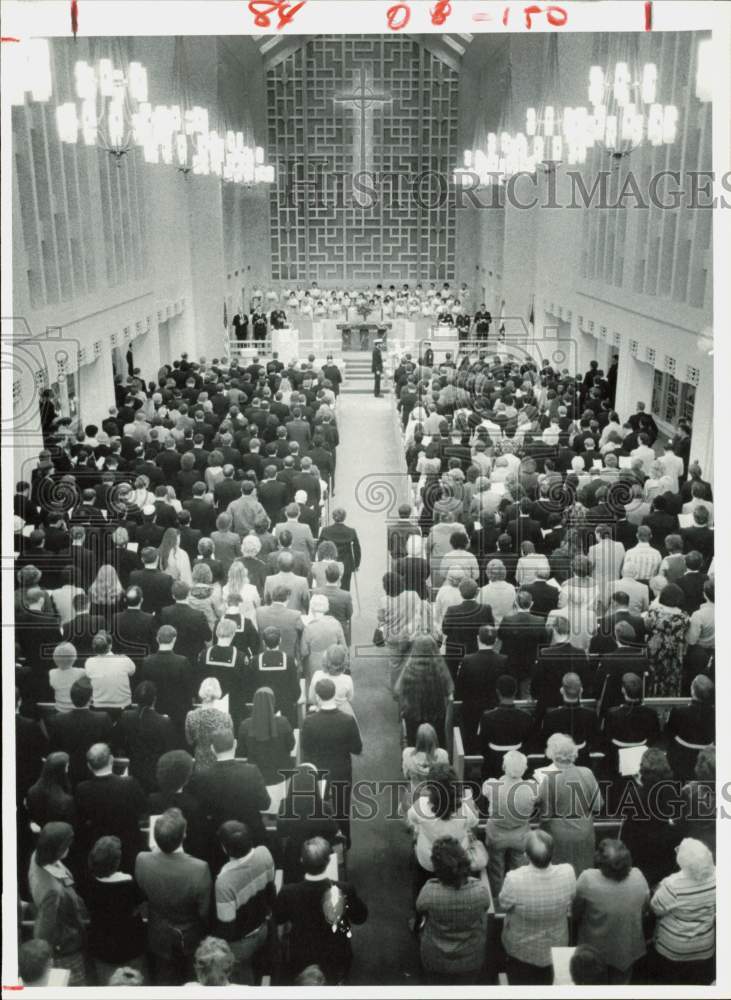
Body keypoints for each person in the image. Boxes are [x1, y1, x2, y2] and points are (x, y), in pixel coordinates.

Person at [275, 836, 368, 984]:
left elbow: (278, 918)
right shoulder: (345, 889)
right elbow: (361, 917)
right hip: (337, 953)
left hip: (302, 956)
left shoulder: (288, 892)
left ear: (301, 861)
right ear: (329, 861)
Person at [135, 809, 212, 985]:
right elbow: (204, 911)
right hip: (190, 936)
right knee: (193, 979)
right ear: (184, 835)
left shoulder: (141, 859)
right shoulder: (200, 868)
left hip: (158, 934)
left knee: (164, 977)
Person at [498, 830, 576, 985]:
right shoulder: (568, 872)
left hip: (520, 950)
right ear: (553, 853)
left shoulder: (514, 878)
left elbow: (504, 904)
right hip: (556, 947)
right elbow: (572, 898)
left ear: (526, 855)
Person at [415, 837, 492, 985]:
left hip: (435, 958)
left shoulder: (429, 891)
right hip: (471, 958)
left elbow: (420, 908)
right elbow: (485, 907)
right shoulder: (480, 891)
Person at [573, 839, 650, 984]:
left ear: (599, 860)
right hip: (626, 949)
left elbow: (576, 912)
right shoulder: (639, 876)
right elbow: (645, 909)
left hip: (593, 949)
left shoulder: (587, 878)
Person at [301, 678, 363, 847]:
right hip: (342, 770)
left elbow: (305, 749)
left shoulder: (309, 721)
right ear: (333, 694)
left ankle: (321, 844)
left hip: (319, 773)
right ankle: (345, 842)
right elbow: (357, 748)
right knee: (342, 810)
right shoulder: (348, 720)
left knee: (319, 809)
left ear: (318, 697)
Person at [28, 822, 90, 985]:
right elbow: (44, 931)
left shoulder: (38, 855)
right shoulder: (52, 891)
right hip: (65, 947)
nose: (69, 848)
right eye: (67, 845)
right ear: (56, 849)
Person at [214, 821, 276, 984]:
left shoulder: (224, 882)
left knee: (243, 982)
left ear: (224, 848)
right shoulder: (264, 853)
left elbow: (227, 927)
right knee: (261, 972)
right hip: (264, 929)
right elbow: (271, 890)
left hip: (241, 945)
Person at [648, 838, 716, 985]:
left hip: (674, 949)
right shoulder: (719, 877)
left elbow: (656, 909)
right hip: (705, 947)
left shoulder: (673, 884)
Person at [407, 767, 481, 898]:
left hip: (428, 860)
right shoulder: (465, 808)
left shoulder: (420, 805)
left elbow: (412, 820)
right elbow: (474, 823)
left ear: (430, 788)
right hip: (456, 860)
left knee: (419, 883)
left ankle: (417, 911)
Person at [189, 729, 270, 846]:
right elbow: (265, 804)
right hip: (252, 837)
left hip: (218, 840)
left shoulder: (202, 776)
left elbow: (202, 810)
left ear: (212, 748)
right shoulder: (251, 771)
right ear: (235, 744)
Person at [74, 742, 147, 871]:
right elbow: (142, 808)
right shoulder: (130, 784)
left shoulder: (82, 789)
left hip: (98, 847)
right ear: (112, 760)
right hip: (128, 845)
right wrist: (124, 781)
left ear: (89, 766)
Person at [538, 732, 602, 876]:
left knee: (562, 877)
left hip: (560, 837)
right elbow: (598, 805)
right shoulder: (588, 773)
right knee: (584, 875)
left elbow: (545, 816)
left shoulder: (549, 779)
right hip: (585, 832)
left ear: (552, 753)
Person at [85, 835, 147, 985]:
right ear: (116, 862)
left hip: (102, 947)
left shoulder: (90, 882)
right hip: (129, 946)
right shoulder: (127, 883)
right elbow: (141, 904)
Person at [619, 748, 682, 890]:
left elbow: (628, 828)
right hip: (664, 853)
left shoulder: (635, 795)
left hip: (641, 852)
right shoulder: (674, 791)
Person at [483, 749, 537, 898]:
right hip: (520, 835)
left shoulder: (492, 785)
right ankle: (516, 896)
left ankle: (498, 898)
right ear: (524, 768)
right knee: (518, 870)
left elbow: (484, 792)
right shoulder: (532, 788)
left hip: (497, 835)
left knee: (496, 870)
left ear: (504, 767)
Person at [46, 677, 114, 787]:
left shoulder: (57, 720)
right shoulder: (103, 718)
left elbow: (53, 749)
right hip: (95, 774)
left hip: (68, 776)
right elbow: (109, 746)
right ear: (90, 698)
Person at [236, 687, 295, 811]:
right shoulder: (283, 723)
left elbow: (241, 752)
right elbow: (291, 745)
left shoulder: (245, 725)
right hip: (280, 776)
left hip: (255, 777)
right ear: (273, 702)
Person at [113, 681, 176, 793]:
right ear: (155, 699)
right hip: (154, 775)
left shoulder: (125, 716)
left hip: (134, 771)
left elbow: (117, 742)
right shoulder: (164, 721)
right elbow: (169, 749)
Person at [377, 571, 433, 694]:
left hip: (393, 637)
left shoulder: (383, 601)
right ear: (401, 583)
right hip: (411, 635)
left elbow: (381, 620)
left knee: (395, 664)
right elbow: (421, 611)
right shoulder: (413, 595)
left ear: (386, 587)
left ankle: (396, 690)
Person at [395, 634, 454, 747]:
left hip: (413, 717)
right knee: (437, 745)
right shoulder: (440, 669)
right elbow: (450, 690)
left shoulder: (409, 670)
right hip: (436, 717)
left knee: (414, 746)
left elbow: (397, 690)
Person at [645, 583, 690, 696]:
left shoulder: (653, 614)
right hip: (674, 653)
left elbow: (647, 627)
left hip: (655, 651)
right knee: (672, 679)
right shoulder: (684, 618)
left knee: (654, 677)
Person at [185, 677, 234, 769]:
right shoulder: (226, 717)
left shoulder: (191, 716)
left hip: (200, 763)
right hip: (219, 765)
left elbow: (189, 741)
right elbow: (229, 743)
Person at [401, 723, 449, 815]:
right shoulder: (443, 755)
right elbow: (445, 777)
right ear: (434, 738)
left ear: (418, 739)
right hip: (435, 797)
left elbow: (406, 775)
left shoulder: (407, 753)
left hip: (414, 796)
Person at [84, 630, 136, 714]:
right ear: (110, 646)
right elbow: (132, 672)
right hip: (123, 709)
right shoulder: (124, 660)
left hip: (98, 709)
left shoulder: (89, 663)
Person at [26, 751, 77, 828]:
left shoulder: (32, 791)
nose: (68, 769)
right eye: (66, 767)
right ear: (60, 770)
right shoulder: (66, 800)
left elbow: (31, 816)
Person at [308, 644, 354, 716]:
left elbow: (312, 698)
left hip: (322, 711)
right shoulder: (347, 679)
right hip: (342, 713)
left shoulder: (317, 675)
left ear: (325, 660)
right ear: (344, 662)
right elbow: (350, 698)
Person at [48, 642, 86, 713]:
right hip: (77, 712)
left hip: (60, 711)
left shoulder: (52, 673)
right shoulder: (82, 673)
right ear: (74, 657)